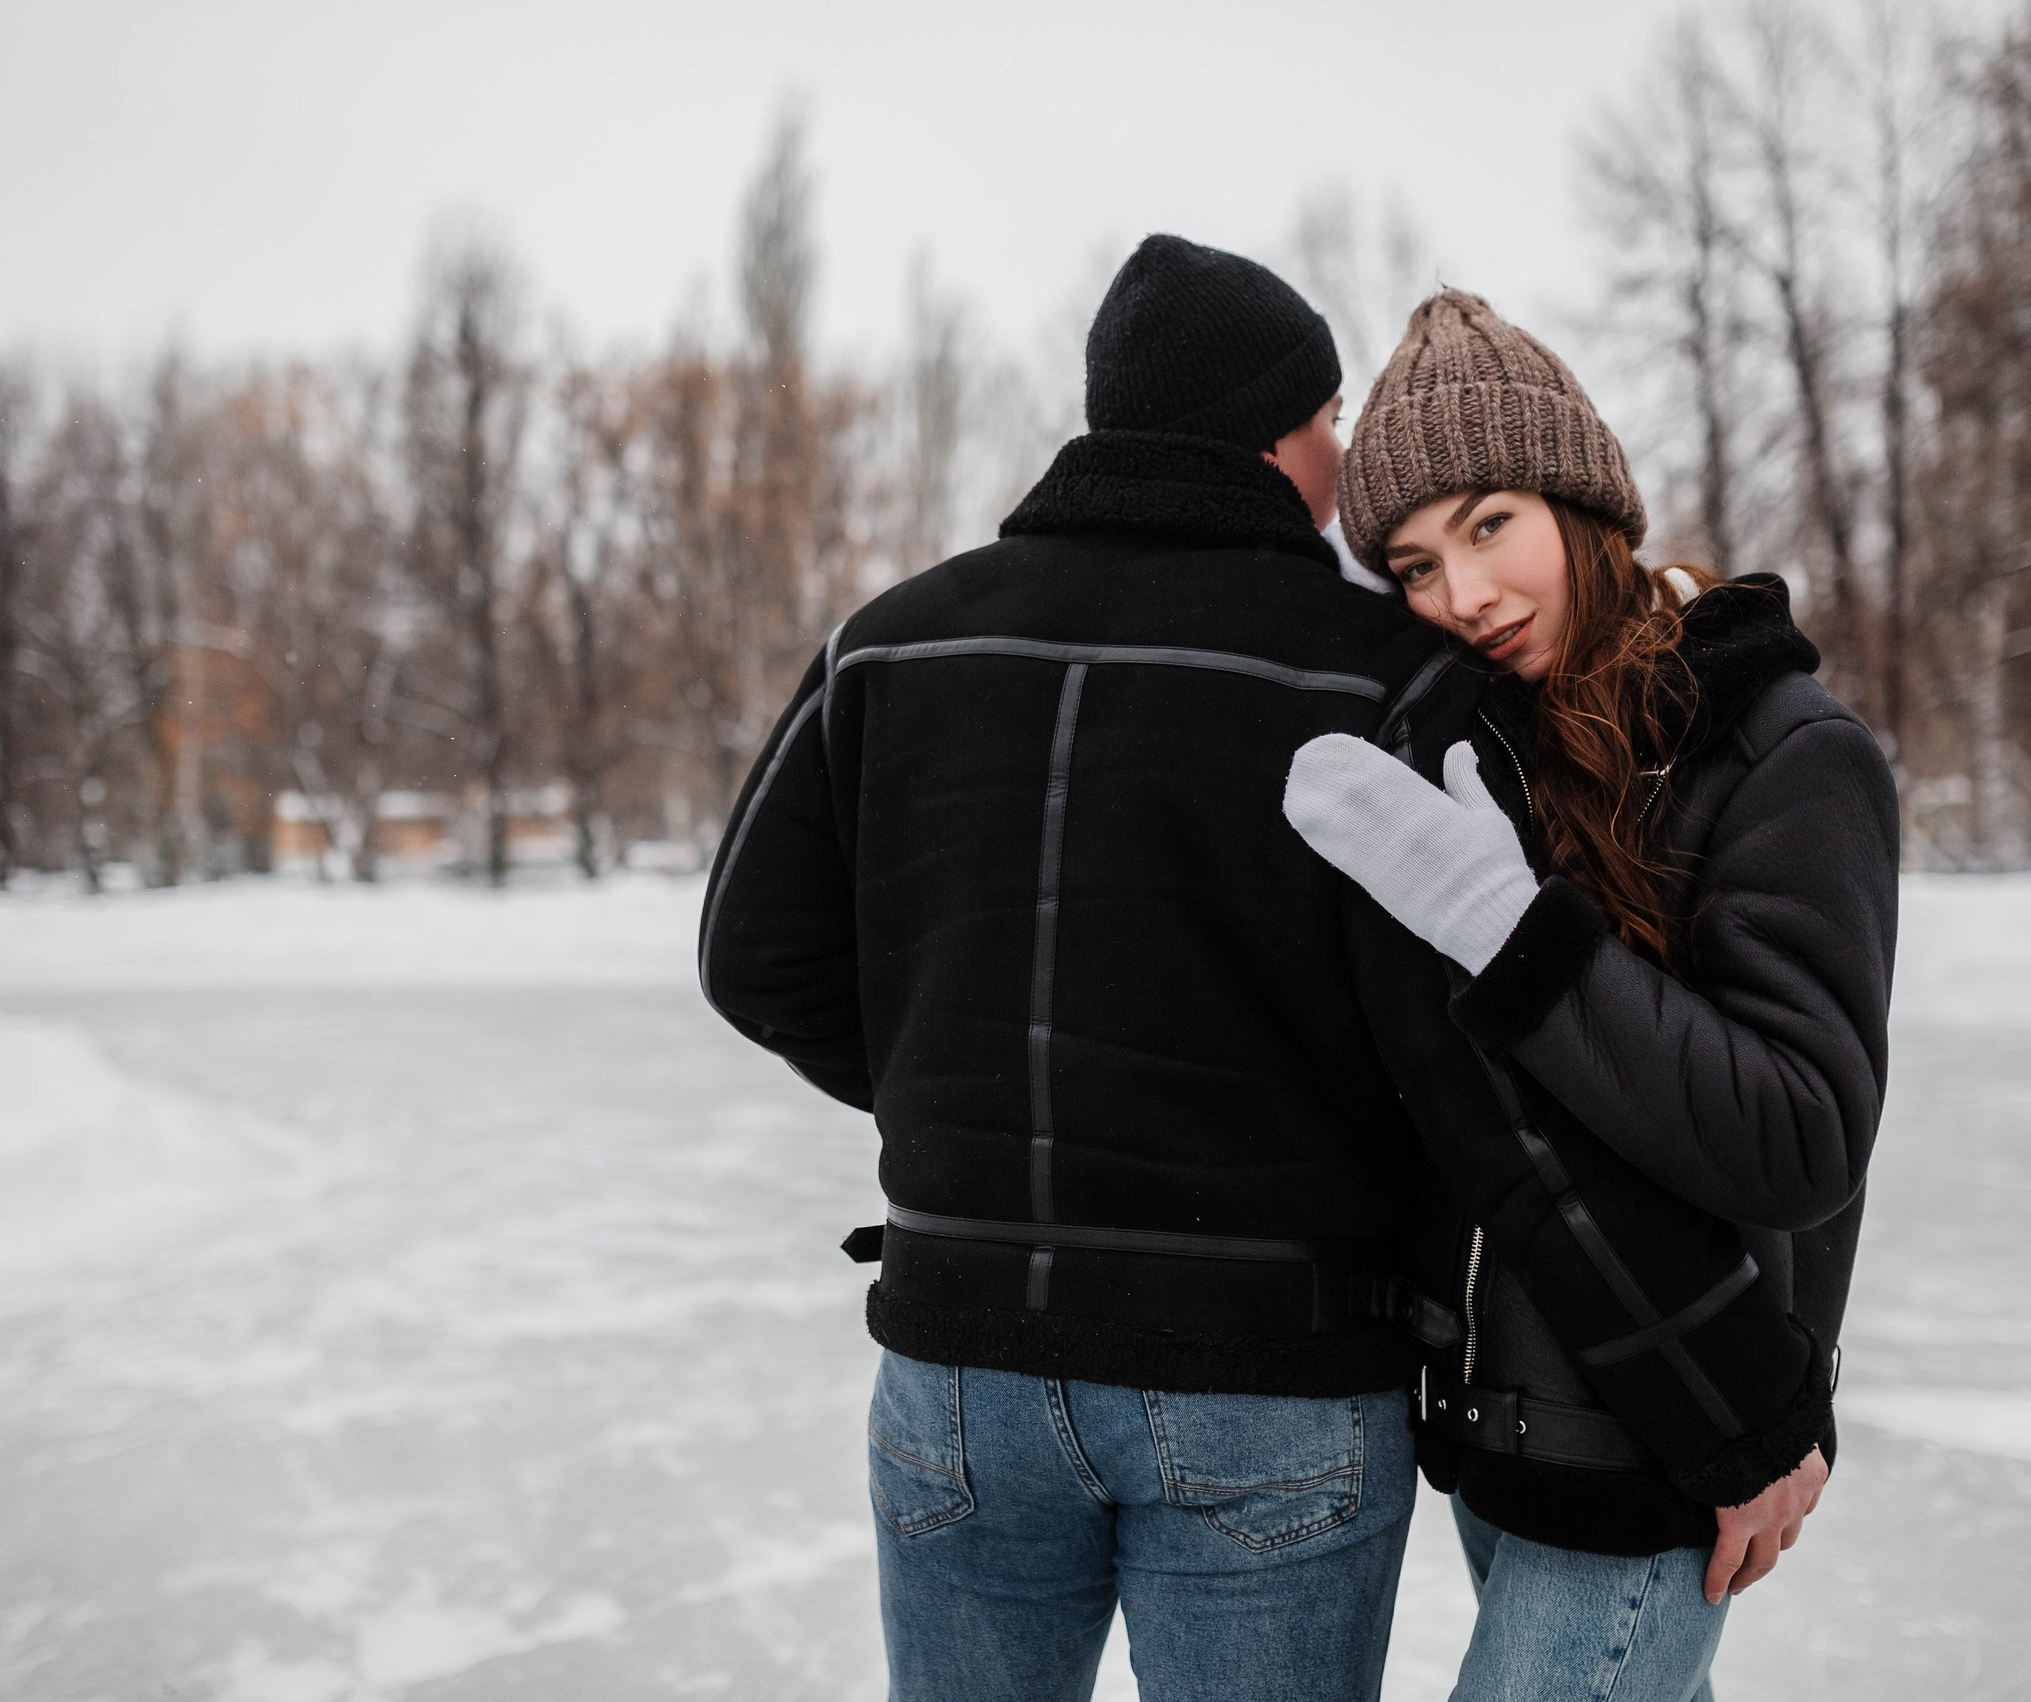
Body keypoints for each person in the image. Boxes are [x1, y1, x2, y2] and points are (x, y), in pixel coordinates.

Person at [702, 238, 1841, 1702]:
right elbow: (1490, 1091)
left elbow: (754, 954)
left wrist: (954, 1098)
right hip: (1264, 1388)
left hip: (958, 1373)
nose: (1347, 458)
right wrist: (1737, 1394)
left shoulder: (892, 640)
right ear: (1279, 430)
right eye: (1332, 421)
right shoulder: (1378, 676)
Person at [1283, 290, 1898, 1700]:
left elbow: (1797, 1134)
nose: (1464, 598)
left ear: (1581, 500)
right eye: (1414, 562)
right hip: (1499, 1445)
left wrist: (1518, 935)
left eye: (1491, 524)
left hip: (1663, 1455)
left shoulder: (1785, 756)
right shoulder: (1491, 760)